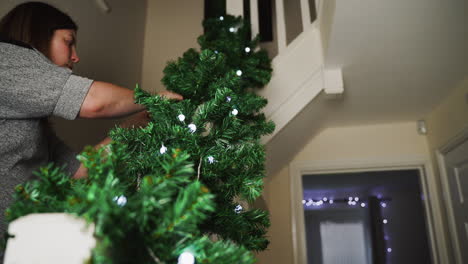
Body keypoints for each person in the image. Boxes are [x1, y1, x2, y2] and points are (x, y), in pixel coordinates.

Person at [0, 1, 182, 251]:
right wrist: (155, 99)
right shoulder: (5, 58)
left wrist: (133, 126)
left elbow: (79, 170)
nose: (76, 56)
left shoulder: (31, 123)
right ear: (37, 34)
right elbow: (94, 102)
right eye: (68, 41)